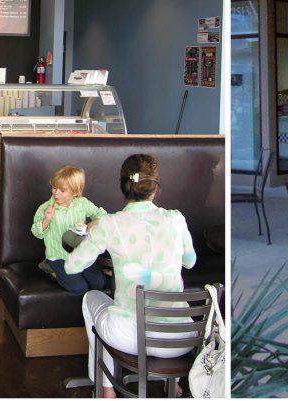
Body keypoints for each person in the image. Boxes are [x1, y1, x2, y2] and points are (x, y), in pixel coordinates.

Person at [67, 154, 197, 398]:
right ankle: (174, 382)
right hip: (178, 339)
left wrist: (95, 233)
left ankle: (106, 389)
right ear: (155, 188)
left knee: (91, 298)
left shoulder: (110, 224)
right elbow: (190, 262)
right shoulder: (176, 219)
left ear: (123, 186)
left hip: (129, 337)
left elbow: (73, 266)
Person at [30, 165, 108, 295]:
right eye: (54, 188)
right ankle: (50, 268)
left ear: (75, 192)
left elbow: (102, 215)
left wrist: (91, 224)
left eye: (62, 190)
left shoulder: (82, 203)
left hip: (80, 254)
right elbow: (36, 233)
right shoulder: (45, 208)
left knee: (99, 283)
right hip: (58, 257)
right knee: (79, 287)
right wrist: (47, 220)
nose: (56, 193)